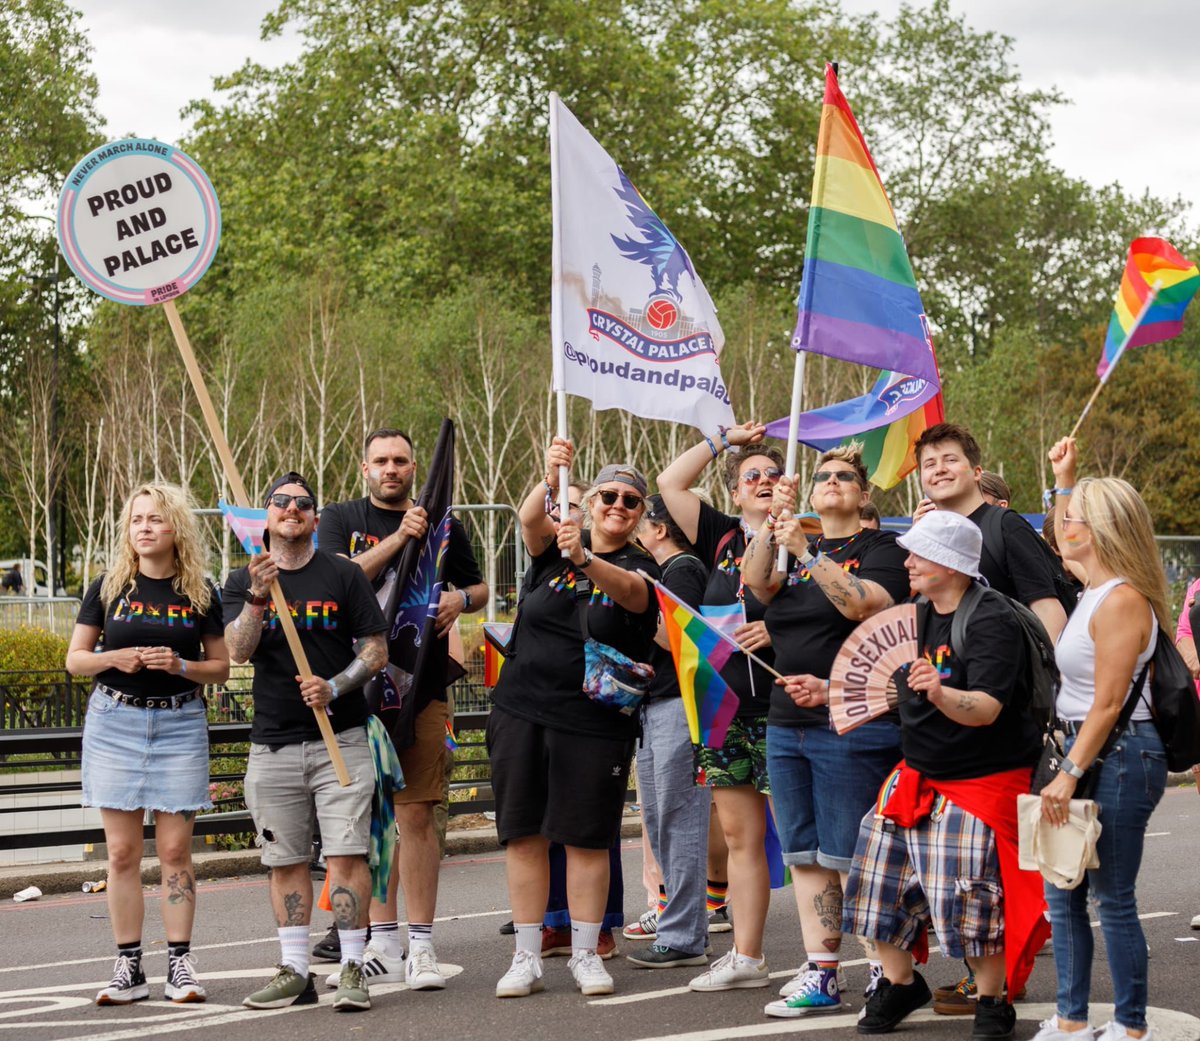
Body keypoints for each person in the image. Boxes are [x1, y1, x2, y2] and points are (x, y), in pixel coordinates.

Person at [842, 509, 1048, 1041]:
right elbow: (905, 685)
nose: (907, 562)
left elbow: (985, 708)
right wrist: (828, 692)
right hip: (916, 774)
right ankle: (900, 982)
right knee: (874, 887)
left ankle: (992, 1001)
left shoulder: (991, 620)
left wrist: (939, 691)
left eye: (919, 554)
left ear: (952, 564)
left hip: (981, 780)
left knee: (970, 900)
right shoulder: (916, 611)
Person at [314, 428, 487, 989]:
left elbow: (479, 586)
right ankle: (381, 943)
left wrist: (462, 599)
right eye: (381, 461)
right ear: (364, 469)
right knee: (366, 824)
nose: (392, 469)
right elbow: (339, 579)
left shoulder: (445, 526)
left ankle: (422, 946)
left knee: (415, 814)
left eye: (401, 461)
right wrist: (396, 540)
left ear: (415, 468)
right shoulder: (340, 517)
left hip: (422, 689)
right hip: (354, 692)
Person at [740, 446, 909, 1017]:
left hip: (854, 722)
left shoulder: (881, 549)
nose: (833, 482)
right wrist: (771, 524)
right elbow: (756, 583)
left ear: (863, 495)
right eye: (822, 477)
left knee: (853, 857)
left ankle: (886, 974)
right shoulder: (787, 545)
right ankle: (823, 973)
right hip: (789, 722)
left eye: (845, 477)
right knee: (806, 854)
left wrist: (806, 550)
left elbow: (862, 604)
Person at [489, 441, 659, 999]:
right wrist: (550, 476)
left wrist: (586, 560)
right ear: (587, 503)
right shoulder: (556, 547)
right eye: (607, 494)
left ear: (640, 513)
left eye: (631, 500)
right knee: (524, 835)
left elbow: (632, 596)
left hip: (592, 723)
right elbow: (528, 519)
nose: (617, 505)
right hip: (522, 709)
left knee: (587, 839)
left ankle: (587, 953)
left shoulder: (640, 565)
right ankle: (526, 955)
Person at [224, 472, 388, 1013]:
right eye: (281, 502)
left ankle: (350, 966)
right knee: (285, 860)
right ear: (267, 516)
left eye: (303, 503)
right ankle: (295, 970)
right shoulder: (241, 579)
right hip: (272, 744)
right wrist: (256, 597)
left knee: (345, 854)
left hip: (339, 738)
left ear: (315, 518)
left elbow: (375, 650)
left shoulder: (342, 574)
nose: (292, 509)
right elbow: (238, 651)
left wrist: (334, 685)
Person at [66, 483, 230, 1005]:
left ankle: (180, 964)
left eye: (155, 519)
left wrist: (180, 665)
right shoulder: (109, 586)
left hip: (179, 723)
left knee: (177, 850)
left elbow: (222, 669)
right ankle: (129, 967)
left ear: (175, 527)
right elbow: (76, 659)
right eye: (137, 519)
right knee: (121, 853)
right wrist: (115, 657)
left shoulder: (200, 591)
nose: (144, 527)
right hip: (114, 722)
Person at [1033, 439, 1170, 1041]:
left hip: (1116, 754)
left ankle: (1131, 1026)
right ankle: (1070, 1021)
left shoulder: (1122, 600)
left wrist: (1066, 772)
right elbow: (1059, 545)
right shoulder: (1092, 588)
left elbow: (1110, 703)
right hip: (1082, 751)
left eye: (1072, 518)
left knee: (1112, 900)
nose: (1062, 526)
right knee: (1062, 896)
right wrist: (1065, 478)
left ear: (1103, 528)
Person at [656, 423, 780, 992]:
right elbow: (669, 481)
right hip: (724, 707)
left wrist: (774, 629)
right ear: (734, 492)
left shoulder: (806, 537)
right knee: (739, 839)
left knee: (810, 841)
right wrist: (725, 441)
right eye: (750, 476)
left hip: (789, 709)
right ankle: (747, 957)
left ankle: (838, 958)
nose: (762, 481)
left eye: (773, 475)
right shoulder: (722, 536)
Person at [626, 494, 713, 970]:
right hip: (659, 703)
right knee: (663, 821)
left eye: (642, 521)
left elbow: (680, 637)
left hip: (679, 704)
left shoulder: (682, 570)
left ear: (659, 529)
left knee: (679, 819)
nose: (636, 530)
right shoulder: (673, 569)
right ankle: (678, 923)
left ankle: (684, 933)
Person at [914, 423, 1068, 643]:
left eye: (950, 459)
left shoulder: (1006, 526)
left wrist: (1056, 675)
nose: (939, 469)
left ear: (977, 472)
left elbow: (1047, 610)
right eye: (929, 464)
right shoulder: (927, 540)